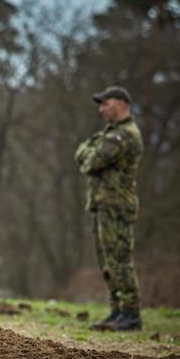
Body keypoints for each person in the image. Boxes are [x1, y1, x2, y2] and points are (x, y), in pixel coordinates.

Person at [75, 85, 144, 331]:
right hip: (103, 206)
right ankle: (117, 311)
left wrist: (88, 153)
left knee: (120, 260)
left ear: (121, 104)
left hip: (116, 206)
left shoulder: (124, 135)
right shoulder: (110, 133)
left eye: (106, 104)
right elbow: (80, 152)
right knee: (107, 261)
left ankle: (131, 314)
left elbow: (91, 161)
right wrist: (87, 152)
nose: (101, 109)